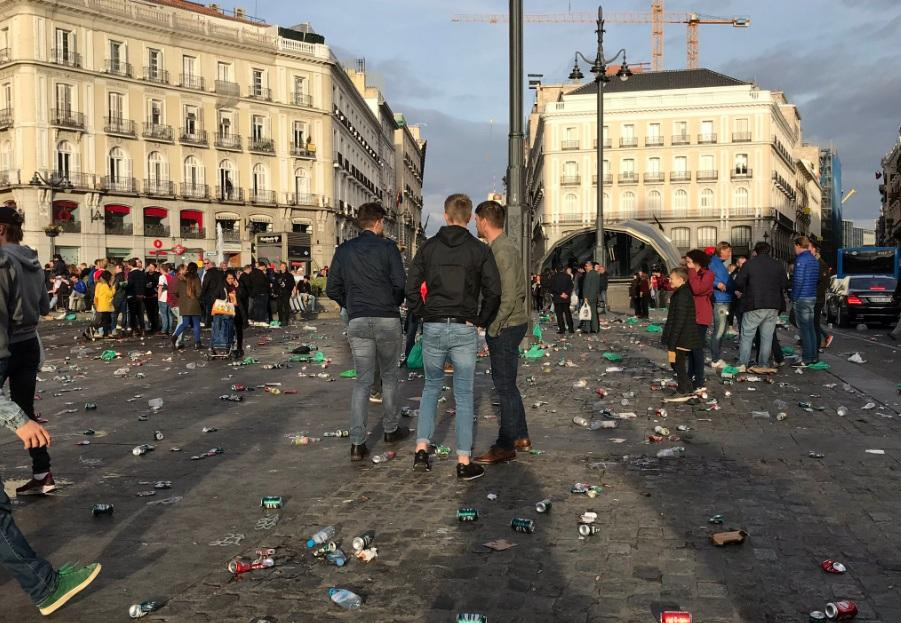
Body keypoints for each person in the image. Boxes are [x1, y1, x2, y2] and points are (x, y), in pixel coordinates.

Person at [405, 193, 501, 480]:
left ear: (446, 216)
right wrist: (481, 319)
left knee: (431, 388)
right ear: (470, 218)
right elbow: (494, 290)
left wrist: (422, 312)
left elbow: (410, 286)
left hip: (433, 324)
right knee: (463, 392)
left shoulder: (429, 248)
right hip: (464, 326)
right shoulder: (479, 250)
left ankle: (422, 449)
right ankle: (463, 460)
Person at [327, 203, 409, 461]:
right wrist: (391, 302)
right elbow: (400, 284)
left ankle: (357, 443)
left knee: (362, 382)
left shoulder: (344, 250)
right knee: (390, 376)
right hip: (386, 318)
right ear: (378, 222)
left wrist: (349, 304)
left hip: (358, 319)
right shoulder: (388, 248)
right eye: (383, 222)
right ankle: (390, 429)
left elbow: (332, 288)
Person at [0, 204, 59, 497]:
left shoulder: (2, 261)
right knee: (24, 408)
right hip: (29, 344)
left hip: (5, 343)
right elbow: (46, 307)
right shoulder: (34, 261)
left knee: (8, 409)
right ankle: (42, 471)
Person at [472, 200, 530, 465]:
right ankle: (520, 435)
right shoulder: (503, 247)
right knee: (508, 385)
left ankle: (505, 444)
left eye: (476, 220)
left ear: (484, 221)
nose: (475, 224)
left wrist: (492, 329)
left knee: (503, 386)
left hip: (506, 325)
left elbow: (507, 296)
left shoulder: (501, 251)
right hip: (512, 322)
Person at [733, 241, 788, 372]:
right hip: (773, 305)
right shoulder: (778, 265)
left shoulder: (749, 264)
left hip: (754, 303)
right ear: (769, 251)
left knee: (747, 335)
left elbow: (739, 282)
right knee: (767, 336)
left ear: (755, 251)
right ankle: (763, 364)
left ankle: (743, 363)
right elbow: (785, 283)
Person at [661, 267, 702, 402]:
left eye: (671, 278)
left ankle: (682, 389)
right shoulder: (680, 292)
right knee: (676, 363)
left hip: (683, 337)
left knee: (677, 363)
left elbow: (679, 320)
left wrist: (672, 342)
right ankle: (688, 386)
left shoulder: (682, 294)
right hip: (682, 336)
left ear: (681, 279)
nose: (669, 280)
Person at [684, 250, 713, 391]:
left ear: (697, 262)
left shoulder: (707, 274)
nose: (687, 264)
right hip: (690, 314)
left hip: (701, 315)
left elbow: (697, 289)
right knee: (690, 348)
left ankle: (699, 379)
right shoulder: (691, 274)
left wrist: (691, 272)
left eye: (689, 261)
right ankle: (691, 374)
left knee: (697, 348)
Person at [791, 235, 820, 367]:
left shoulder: (801, 260)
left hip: (802, 297)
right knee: (811, 328)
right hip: (811, 296)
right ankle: (813, 356)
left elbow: (798, 280)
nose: (794, 249)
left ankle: (807, 357)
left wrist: (794, 297)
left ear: (798, 245)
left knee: (804, 330)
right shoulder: (814, 260)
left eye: (794, 247)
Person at [709, 242, 735, 368]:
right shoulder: (713, 262)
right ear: (721, 250)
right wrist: (716, 284)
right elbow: (707, 276)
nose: (730, 254)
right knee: (719, 330)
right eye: (728, 251)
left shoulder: (719, 264)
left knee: (722, 330)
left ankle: (717, 356)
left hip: (725, 299)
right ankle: (715, 359)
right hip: (720, 300)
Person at [171, 262, 203, 350]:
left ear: (188, 269)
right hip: (194, 303)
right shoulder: (196, 278)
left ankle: (174, 336)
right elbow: (199, 292)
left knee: (185, 323)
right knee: (196, 324)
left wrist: (182, 297)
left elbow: (176, 292)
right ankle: (197, 343)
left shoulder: (181, 278)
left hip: (183, 304)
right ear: (196, 269)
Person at [809, 239, 833, 349]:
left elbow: (823, 282)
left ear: (815, 250)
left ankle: (817, 346)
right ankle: (816, 343)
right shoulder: (815, 263)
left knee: (814, 322)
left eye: (808, 248)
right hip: (814, 297)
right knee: (813, 322)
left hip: (816, 298)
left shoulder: (821, 264)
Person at [547, 266, 575, 334]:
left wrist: (560, 294)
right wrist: (566, 294)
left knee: (559, 315)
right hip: (566, 298)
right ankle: (571, 329)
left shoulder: (553, 277)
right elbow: (571, 286)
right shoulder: (568, 276)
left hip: (557, 298)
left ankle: (562, 329)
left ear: (556, 270)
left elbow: (551, 288)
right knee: (568, 314)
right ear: (563, 269)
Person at [200, 260, 226, 326]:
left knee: (209, 311)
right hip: (220, 295)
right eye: (204, 263)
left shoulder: (208, 273)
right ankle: (219, 324)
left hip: (210, 295)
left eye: (207, 263)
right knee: (219, 311)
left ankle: (209, 324)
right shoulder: (220, 273)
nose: (205, 265)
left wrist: (201, 295)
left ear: (211, 265)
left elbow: (205, 285)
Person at [124, 258, 146, 336]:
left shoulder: (131, 274)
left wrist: (125, 285)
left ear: (130, 265)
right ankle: (143, 329)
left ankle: (134, 330)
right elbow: (144, 284)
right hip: (141, 295)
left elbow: (130, 284)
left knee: (133, 313)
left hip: (133, 295)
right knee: (140, 313)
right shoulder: (142, 273)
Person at [93, 270, 115, 337]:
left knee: (104, 320)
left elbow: (96, 295)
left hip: (101, 305)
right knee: (106, 321)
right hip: (105, 305)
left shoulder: (99, 284)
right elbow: (111, 294)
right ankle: (97, 330)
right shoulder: (105, 285)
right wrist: (113, 287)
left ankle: (105, 333)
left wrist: (95, 303)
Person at [580, 260, 601, 333]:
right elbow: (597, 287)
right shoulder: (597, 274)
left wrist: (585, 297)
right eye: (585, 266)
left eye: (586, 266)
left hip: (588, 297)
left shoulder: (589, 274)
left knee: (587, 312)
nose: (585, 267)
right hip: (594, 296)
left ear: (590, 266)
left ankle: (587, 328)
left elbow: (587, 287)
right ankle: (595, 328)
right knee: (594, 313)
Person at [247, 261, 270, 326]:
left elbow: (250, 283)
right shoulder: (261, 273)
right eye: (264, 267)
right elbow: (263, 283)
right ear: (262, 267)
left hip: (255, 293)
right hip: (262, 292)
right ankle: (261, 321)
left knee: (257, 308)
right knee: (262, 308)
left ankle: (256, 321)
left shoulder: (251, 273)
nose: (265, 268)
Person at [274, 262, 295, 326]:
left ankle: (286, 320)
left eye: (284, 267)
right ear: (280, 267)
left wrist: (285, 285)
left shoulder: (289, 275)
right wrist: (275, 292)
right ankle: (280, 320)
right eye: (282, 266)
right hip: (279, 293)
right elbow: (275, 285)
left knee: (286, 307)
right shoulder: (277, 275)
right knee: (279, 307)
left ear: (286, 267)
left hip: (286, 293)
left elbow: (292, 284)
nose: (283, 268)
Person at [143, 262, 160, 334]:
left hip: (154, 296)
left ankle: (156, 327)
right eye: (149, 267)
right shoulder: (145, 275)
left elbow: (159, 285)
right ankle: (151, 326)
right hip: (147, 296)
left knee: (155, 312)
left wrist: (156, 292)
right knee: (149, 312)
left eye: (152, 267)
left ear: (155, 268)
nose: (150, 268)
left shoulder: (157, 275)